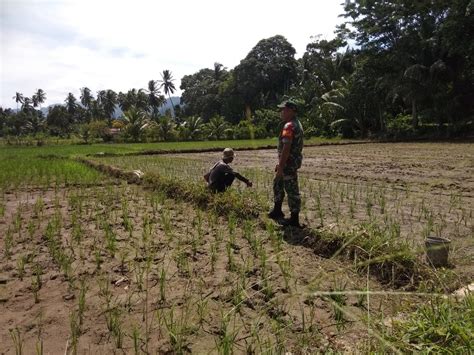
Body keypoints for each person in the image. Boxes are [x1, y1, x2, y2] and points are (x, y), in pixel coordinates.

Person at [268, 99, 304, 227]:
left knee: (291, 189)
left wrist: (281, 167)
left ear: (290, 111)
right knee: (277, 184)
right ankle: (277, 210)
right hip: (289, 162)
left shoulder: (289, 126)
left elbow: (286, 148)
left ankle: (294, 219)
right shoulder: (296, 123)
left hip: (289, 164)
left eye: (283, 109)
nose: (281, 112)